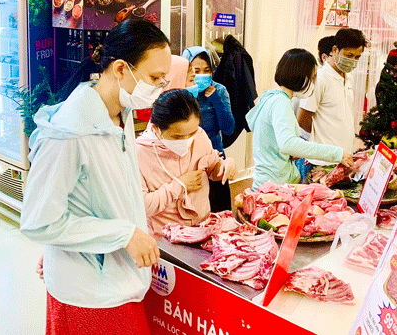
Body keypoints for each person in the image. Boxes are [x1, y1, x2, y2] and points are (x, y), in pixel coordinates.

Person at [20, 20, 171, 335]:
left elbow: (93, 195)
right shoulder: (68, 133)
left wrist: (62, 245)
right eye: (155, 78)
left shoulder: (120, 114)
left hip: (118, 280)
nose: (160, 88)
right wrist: (124, 235)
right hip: (90, 296)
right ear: (120, 69)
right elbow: (38, 221)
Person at [246, 48, 354, 189]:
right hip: (273, 187)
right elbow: (288, 144)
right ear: (300, 75)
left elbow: (275, 142)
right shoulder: (281, 102)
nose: (313, 83)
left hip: (270, 183)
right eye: (312, 77)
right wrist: (337, 153)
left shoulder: (271, 98)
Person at [137, 89, 236, 236]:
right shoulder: (139, 152)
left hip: (202, 227)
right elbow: (143, 205)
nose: (187, 141)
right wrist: (179, 185)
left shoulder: (200, 136)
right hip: (165, 237)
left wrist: (224, 166)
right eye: (177, 137)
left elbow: (212, 169)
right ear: (157, 128)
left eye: (192, 133)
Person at [296, 28, 368, 179]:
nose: (353, 61)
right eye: (349, 55)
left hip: (343, 158)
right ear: (335, 50)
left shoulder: (349, 78)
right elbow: (302, 118)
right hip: (322, 163)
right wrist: (321, 135)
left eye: (357, 57)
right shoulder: (319, 78)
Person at [183, 46, 236, 212]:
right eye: (196, 70)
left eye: (206, 70)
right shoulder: (180, 91)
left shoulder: (219, 91)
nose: (201, 75)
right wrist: (188, 97)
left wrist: (215, 101)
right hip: (187, 160)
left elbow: (228, 128)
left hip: (215, 158)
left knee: (218, 209)